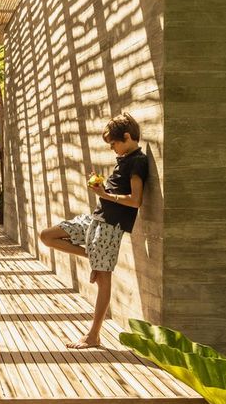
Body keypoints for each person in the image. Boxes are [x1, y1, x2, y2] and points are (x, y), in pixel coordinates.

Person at [39, 112, 149, 349]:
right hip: (95, 220)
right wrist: (100, 187)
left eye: (113, 143)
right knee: (47, 236)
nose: (112, 148)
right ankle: (93, 256)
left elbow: (136, 200)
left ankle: (93, 336)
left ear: (127, 137)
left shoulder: (138, 161)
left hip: (110, 227)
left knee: (102, 278)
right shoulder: (124, 159)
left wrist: (104, 194)